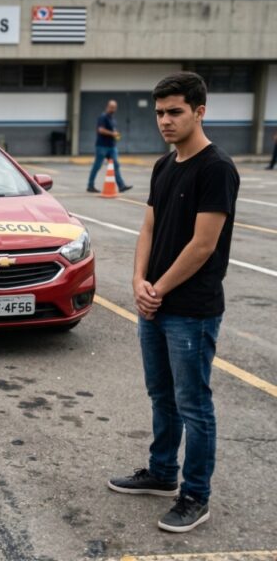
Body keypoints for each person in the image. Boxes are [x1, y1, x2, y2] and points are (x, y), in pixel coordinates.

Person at [108, 72, 239, 534]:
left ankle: (195, 495)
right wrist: (138, 279)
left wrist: (157, 288)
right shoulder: (165, 166)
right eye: (160, 112)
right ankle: (163, 473)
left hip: (192, 310)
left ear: (199, 111)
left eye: (175, 111)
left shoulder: (216, 168)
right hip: (157, 303)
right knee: (161, 396)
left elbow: (203, 245)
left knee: (193, 405)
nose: (165, 120)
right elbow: (148, 228)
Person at [87, 100, 133, 193]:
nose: (113, 109)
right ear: (107, 106)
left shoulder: (112, 119)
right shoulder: (103, 117)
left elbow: (113, 132)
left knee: (116, 165)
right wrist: (112, 133)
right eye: (111, 107)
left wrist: (116, 135)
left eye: (114, 107)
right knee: (97, 166)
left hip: (112, 147)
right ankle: (90, 185)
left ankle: (121, 186)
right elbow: (101, 130)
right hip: (102, 146)